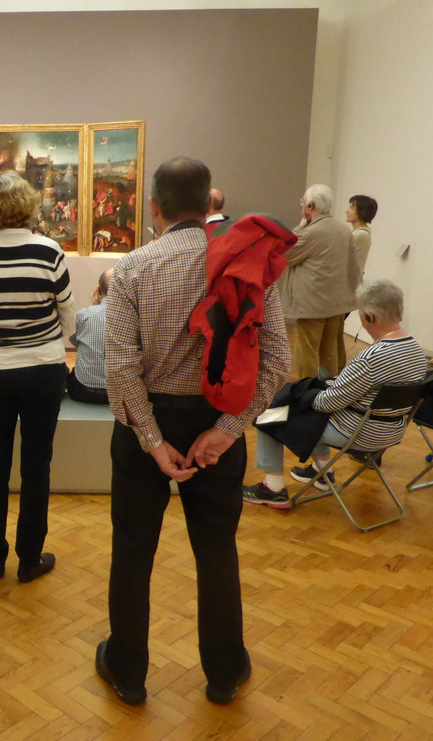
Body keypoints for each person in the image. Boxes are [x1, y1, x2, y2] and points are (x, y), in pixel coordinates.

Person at [97, 157, 289, 707]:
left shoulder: (132, 267)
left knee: (132, 551)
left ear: (153, 208)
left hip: (146, 424)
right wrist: (227, 432)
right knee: (216, 550)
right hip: (214, 418)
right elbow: (275, 361)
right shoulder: (244, 263)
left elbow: (120, 368)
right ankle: (225, 671)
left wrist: (153, 442)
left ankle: (128, 670)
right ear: (209, 205)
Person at [0, 171, 74, 584]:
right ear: (28, 205)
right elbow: (67, 313)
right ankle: (29, 558)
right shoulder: (49, 251)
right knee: (37, 465)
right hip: (43, 369)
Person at [243, 279, 428, 508]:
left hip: (360, 433)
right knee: (314, 398)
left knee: (270, 415)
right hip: (391, 431)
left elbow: (326, 404)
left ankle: (273, 489)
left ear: (370, 316)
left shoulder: (372, 357)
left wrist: (307, 394)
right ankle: (322, 473)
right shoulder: (417, 352)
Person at [279, 184, 360, 378]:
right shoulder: (343, 229)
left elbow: (284, 252)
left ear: (311, 205)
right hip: (336, 303)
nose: (302, 206)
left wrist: (300, 226)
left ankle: (307, 392)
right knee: (328, 351)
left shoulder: (311, 232)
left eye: (303, 202)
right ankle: (328, 391)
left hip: (312, 304)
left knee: (307, 350)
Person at [67, 267, 114, 404]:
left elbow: (78, 343)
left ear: (98, 291)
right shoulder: (135, 318)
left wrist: (95, 307)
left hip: (83, 391)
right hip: (121, 393)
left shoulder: (83, 315)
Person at [345, 194, 377, 275]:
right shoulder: (355, 232)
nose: (347, 211)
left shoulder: (361, 234)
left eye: (352, 208)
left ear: (361, 212)